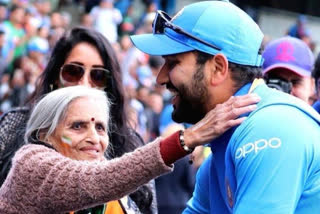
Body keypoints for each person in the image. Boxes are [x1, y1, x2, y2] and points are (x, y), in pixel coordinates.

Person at [130, 1, 320, 213]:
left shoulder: (270, 128)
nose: (160, 77)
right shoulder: (227, 139)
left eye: (173, 63)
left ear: (219, 68)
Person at [0, 85, 259, 213]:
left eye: (100, 128)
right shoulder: (31, 162)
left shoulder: (116, 193)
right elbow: (95, 182)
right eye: (78, 126)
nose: (94, 138)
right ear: (44, 134)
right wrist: (187, 138)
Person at [0, 27, 154, 213]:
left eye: (98, 76)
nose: (85, 83)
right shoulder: (15, 125)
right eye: (73, 72)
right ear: (55, 77)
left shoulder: (130, 142)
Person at [262, 36, 316, 105]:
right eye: (278, 81)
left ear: (312, 85)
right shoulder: (250, 113)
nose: (287, 90)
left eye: (295, 82)